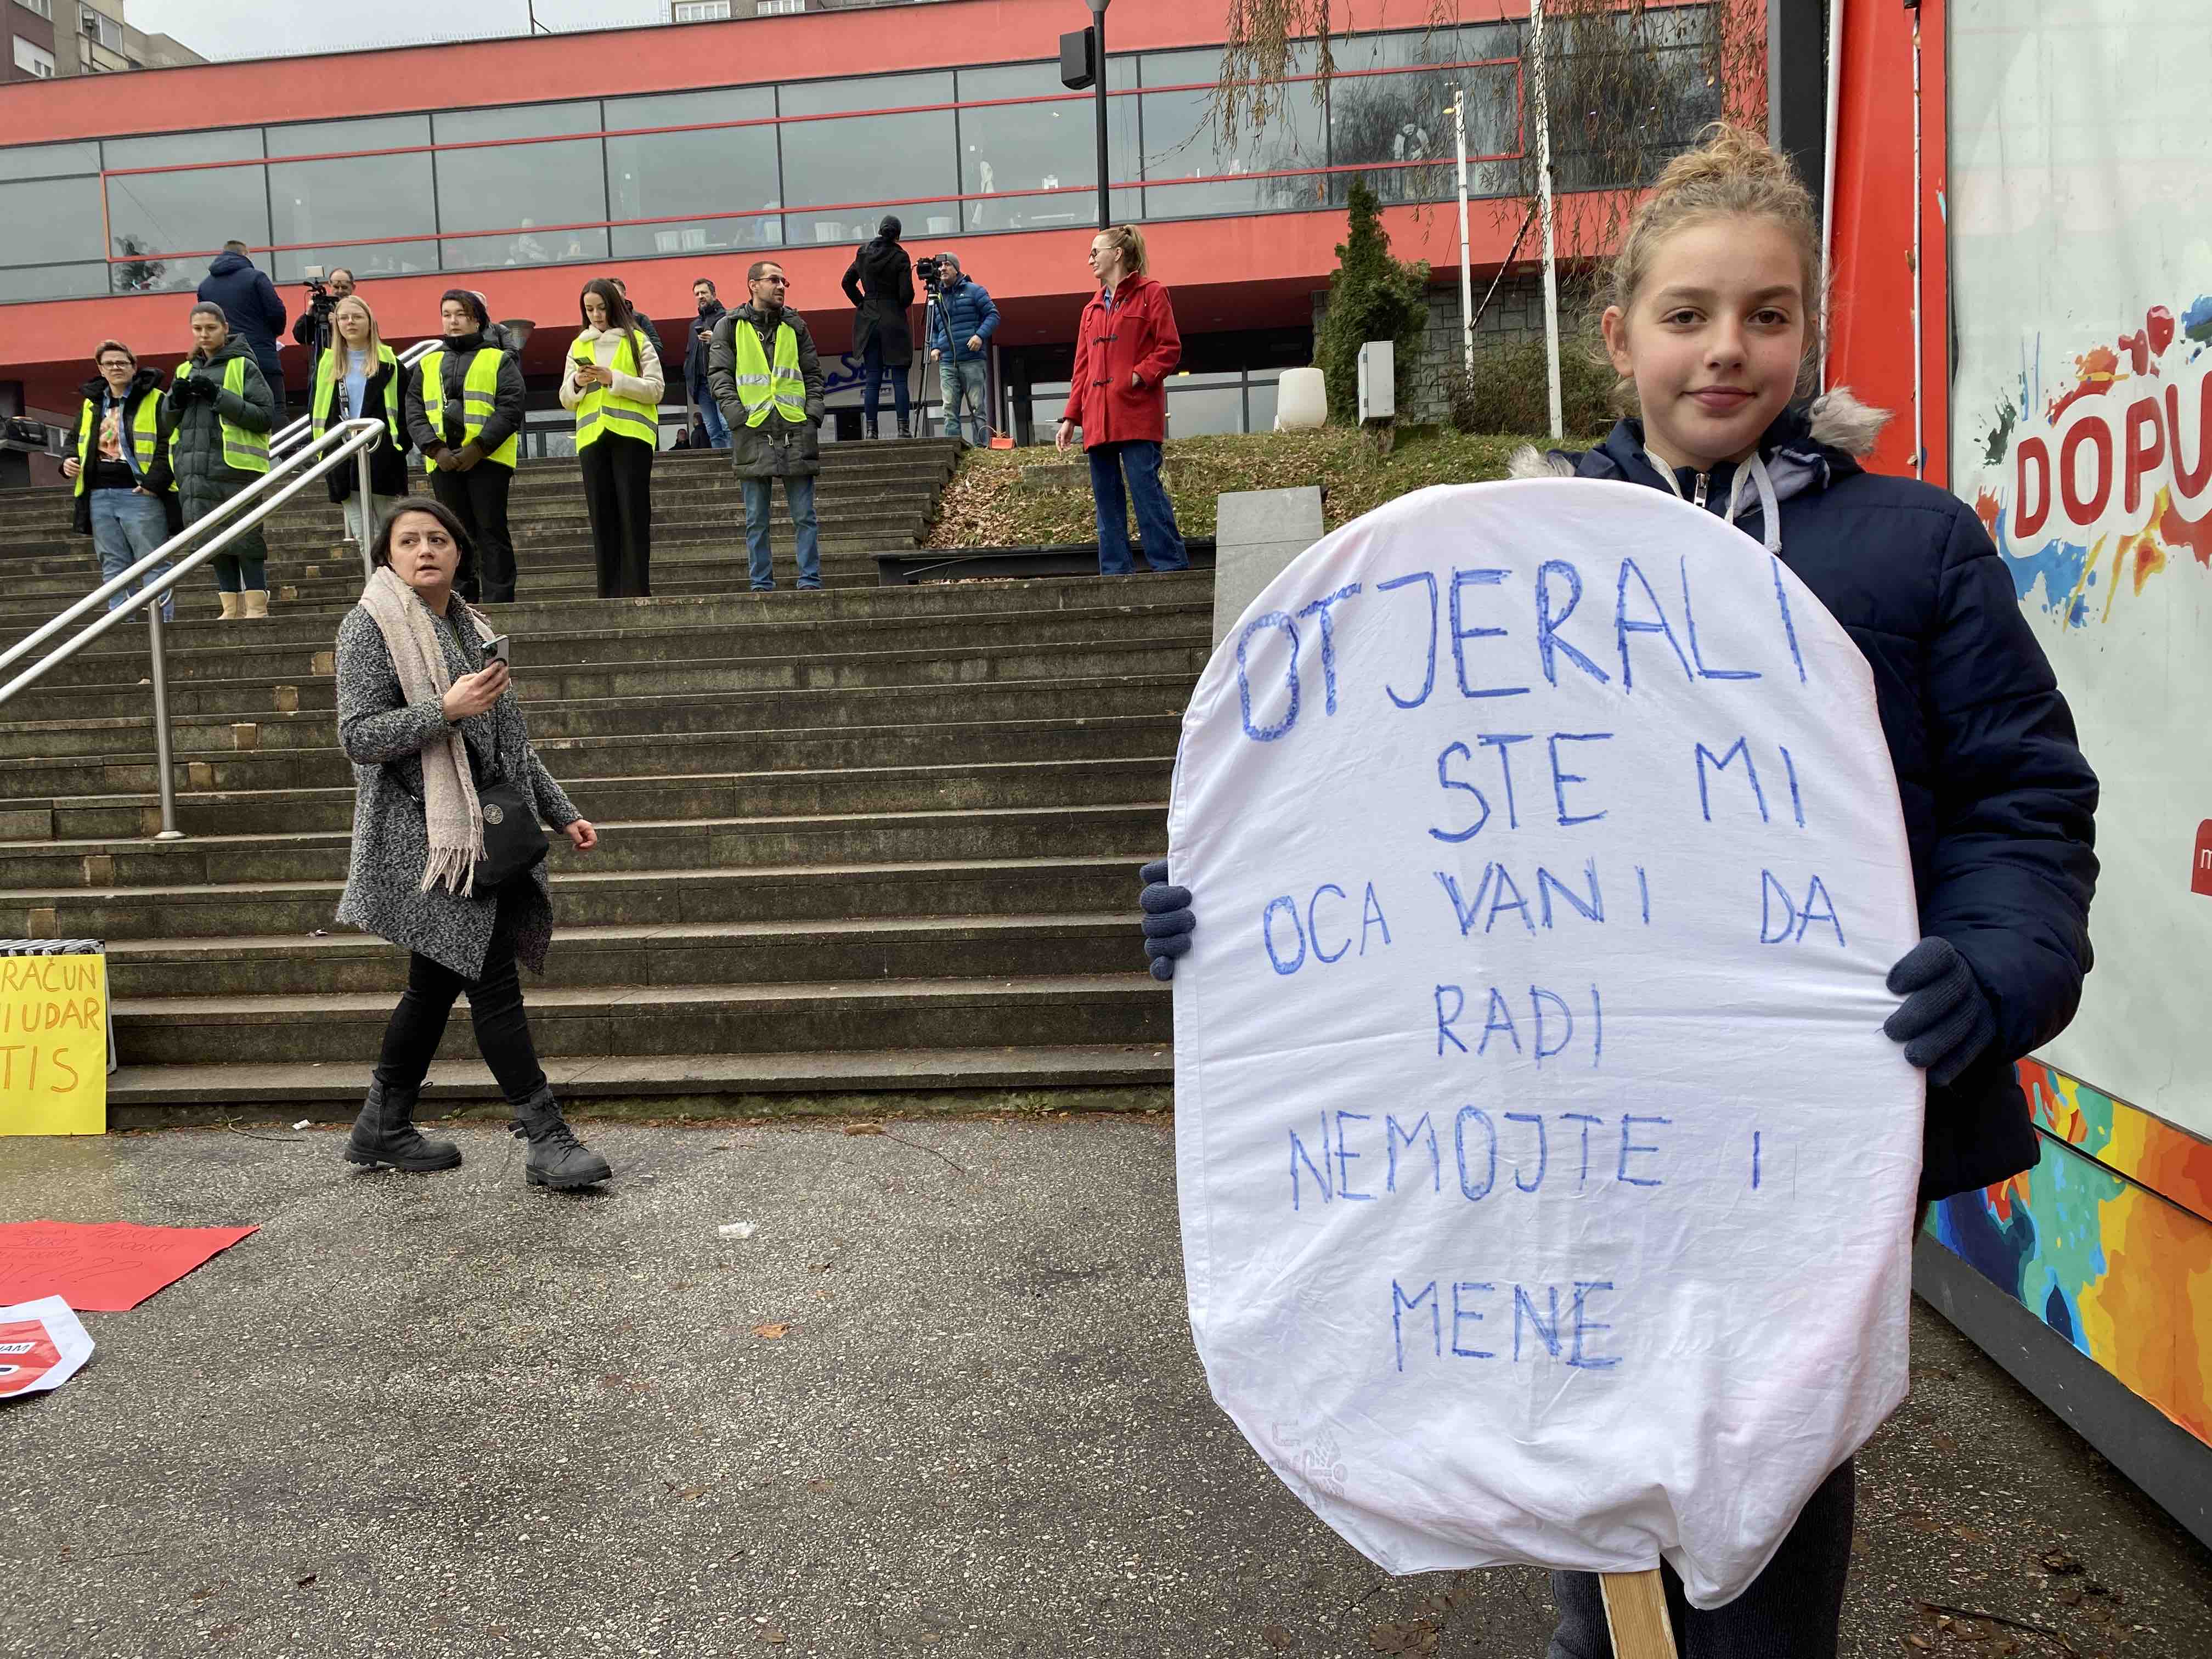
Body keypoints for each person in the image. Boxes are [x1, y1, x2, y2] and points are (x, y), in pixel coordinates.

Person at [1137, 124, 2099, 1659]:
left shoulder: (1910, 547)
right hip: (1566, 1110)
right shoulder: (1497, 565)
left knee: (1770, 1474)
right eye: (1689, 314)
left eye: (1768, 316)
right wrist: (1225, 914)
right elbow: (1366, 805)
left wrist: (1992, 967)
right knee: (1591, 1442)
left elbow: (2024, 806)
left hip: (1806, 1130)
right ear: (1619, 335)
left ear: (1807, 330)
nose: (1728, 349)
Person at [334, 497, 611, 1190]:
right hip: (427, 839)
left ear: (458, 553)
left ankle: (382, 1125)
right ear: (387, 556)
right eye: (407, 541)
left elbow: (507, 746)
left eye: (437, 539)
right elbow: (359, 736)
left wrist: (559, 811)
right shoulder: (370, 626)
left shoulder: (472, 625)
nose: (424, 550)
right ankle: (546, 1137)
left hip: (481, 829)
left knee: (431, 988)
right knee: (492, 982)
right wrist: (445, 710)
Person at [1057, 225, 1189, 575]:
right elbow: (1082, 367)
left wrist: (1137, 375)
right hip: (1097, 418)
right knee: (1106, 502)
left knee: (1147, 493)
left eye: (1095, 252)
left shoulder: (1152, 293)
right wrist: (1072, 417)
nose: (1089, 260)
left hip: (1136, 413)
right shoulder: (1090, 310)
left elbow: (1170, 349)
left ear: (1116, 254)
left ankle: (1169, 566)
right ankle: (1115, 571)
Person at [707, 259, 826, 592]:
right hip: (752, 430)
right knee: (756, 520)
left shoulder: (797, 326)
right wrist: (736, 419)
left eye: (784, 281)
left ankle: (810, 582)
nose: (781, 287)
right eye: (773, 280)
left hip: (795, 428)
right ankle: (761, 585)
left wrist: (812, 414)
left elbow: (814, 375)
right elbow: (719, 376)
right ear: (753, 285)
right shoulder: (728, 326)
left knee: (805, 517)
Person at [404, 289, 526, 604]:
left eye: (462, 315)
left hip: (489, 460)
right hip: (443, 462)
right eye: (447, 314)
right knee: (453, 536)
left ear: (478, 320)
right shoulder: (428, 363)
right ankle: (460, 601)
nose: (453, 321)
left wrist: (479, 447)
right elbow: (414, 409)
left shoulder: (499, 360)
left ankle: (500, 600)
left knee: (491, 529)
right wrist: (434, 449)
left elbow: (510, 408)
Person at [166, 302, 276, 619]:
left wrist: (217, 396)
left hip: (237, 468)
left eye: (211, 328)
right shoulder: (184, 370)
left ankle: (256, 606)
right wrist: (175, 399)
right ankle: (230, 608)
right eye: (198, 329)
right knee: (211, 542)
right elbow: (167, 423)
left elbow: (263, 417)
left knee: (247, 538)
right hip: (195, 470)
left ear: (225, 329)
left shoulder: (243, 366)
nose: (204, 334)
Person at [558, 276, 664, 599]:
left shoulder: (638, 340)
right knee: (601, 517)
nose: (596, 315)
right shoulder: (579, 345)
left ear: (614, 307)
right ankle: (609, 591)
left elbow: (656, 388)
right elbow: (566, 398)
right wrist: (577, 381)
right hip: (592, 439)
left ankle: (636, 589)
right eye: (589, 309)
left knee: (633, 514)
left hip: (632, 437)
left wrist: (612, 379)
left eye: (602, 308)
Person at [63, 339, 182, 623]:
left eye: (122, 362)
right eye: (109, 364)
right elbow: (74, 440)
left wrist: (154, 484)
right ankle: (120, 624)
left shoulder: (156, 399)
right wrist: (67, 460)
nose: (116, 367)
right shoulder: (92, 404)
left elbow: (171, 442)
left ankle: (161, 623)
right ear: (100, 370)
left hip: (140, 493)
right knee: (113, 563)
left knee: (152, 561)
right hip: (99, 494)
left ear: (133, 366)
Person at [312, 293, 410, 549]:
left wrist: (399, 448)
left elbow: (407, 411)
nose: (350, 322)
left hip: (382, 455)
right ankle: (380, 588)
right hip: (342, 457)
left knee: (394, 533)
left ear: (370, 322)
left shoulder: (391, 364)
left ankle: (399, 586)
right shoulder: (326, 367)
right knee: (364, 537)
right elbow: (318, 412)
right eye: (344, 318)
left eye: (357, 317)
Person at [841, 214, 915, 439]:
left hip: (869, 319)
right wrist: (897, 305)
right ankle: (903, 430)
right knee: (899, 378)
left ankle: (871, 431)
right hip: (893, 318)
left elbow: (847, 282)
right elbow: (906, 295)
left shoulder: (863, 253)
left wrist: (862, 303)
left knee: (873, 377)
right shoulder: (900, 256)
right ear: (898, 235)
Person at [195, 241, 287, 410]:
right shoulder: (256, 277)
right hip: (262, 356)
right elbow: (277, 312)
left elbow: (205, 320)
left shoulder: (205, 286)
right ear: (245, 255)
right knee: (275, 412)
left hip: (223, 362)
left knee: (233, 412)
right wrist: (272, 334)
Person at [925, 253, 998, 447]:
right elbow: (933, 326)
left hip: (972, 360)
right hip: (948, 362)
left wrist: (980, 336)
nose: (942, 269)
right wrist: (934, 346)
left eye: (947, 265)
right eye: (940, 266)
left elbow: (993, 315)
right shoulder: (937, 297)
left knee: (977, 407)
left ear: (957, 269)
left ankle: (981, 447)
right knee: (949, 408)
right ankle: (953, 449)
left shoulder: (975, 291)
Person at [291, 266, 357, 393]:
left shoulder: (359, 310)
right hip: (322, 373)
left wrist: (338, 326)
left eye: (344, 287)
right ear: (329, 285)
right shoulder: (322, 309)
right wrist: (309, 315)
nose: (339, 291)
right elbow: (301, 337)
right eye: (336, 287)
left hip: (350, 370)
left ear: (353, 287)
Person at [685, 275, 729, 450]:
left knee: (727, 425)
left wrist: (716, 339)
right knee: (712, 429)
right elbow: (689, 354)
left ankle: (736, 463)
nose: (700, 296)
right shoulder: (693, 325)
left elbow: (738, 348)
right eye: (697, 294)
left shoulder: (726, 319)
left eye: (704, 292)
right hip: (702, 384)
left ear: (714, 294)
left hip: (721, 379)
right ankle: (722, 466)